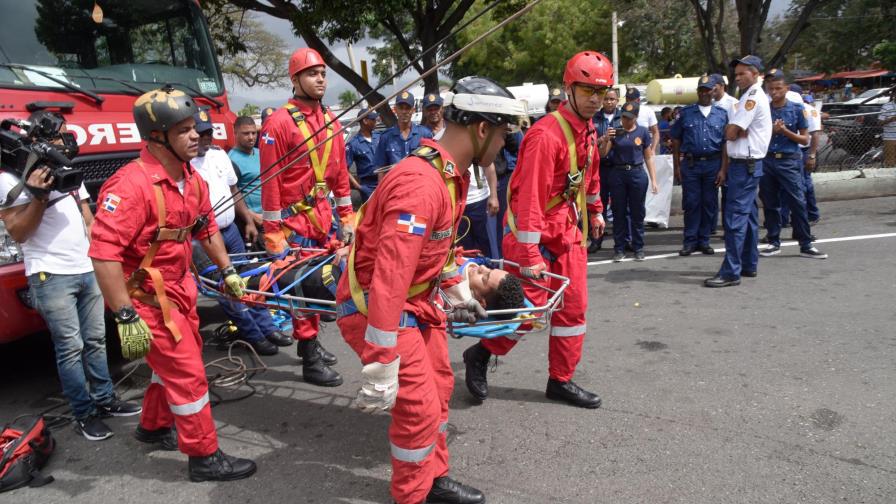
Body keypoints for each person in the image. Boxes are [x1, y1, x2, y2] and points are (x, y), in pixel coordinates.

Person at [335, 75, 526, 504]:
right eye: (501, 137)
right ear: (481, 129)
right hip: (378, 309)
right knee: (418, 409)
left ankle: (433, 479)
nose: (502, 148)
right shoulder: (422, 185)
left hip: (413, 303)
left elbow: (439, 251)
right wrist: (382, 360)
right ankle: (412, 496)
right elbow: (388, 278)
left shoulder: (448, 175)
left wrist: (459, 293)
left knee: (439, 388)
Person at [89, 86, 255, 481]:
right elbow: (103, 253)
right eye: (183, 130)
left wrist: (228, 270)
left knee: (171, 369)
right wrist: (125, 315)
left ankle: (153, 426)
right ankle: (204, 456)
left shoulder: (190, 179)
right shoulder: (130, 186)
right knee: (188, 374)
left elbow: (207, 229)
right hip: (147, 299)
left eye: (194, 127)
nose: (196, 134)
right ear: (157, 137)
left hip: (180, 292)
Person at [464, 51, 611, 410]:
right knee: (525, 313)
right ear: (568, 88)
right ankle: (481, 355)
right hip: (534, 239)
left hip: (566, 234)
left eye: (602, 91)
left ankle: (560, 380)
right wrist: (530, 254)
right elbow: (529, 198)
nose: (596, 99)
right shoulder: (546, 136)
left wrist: (594, 210)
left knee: (573, 311)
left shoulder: (589, 130)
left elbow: (588, 177)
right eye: (588, 89)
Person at [0, 110, 141, 441]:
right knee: (70, 347)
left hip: (86, 268)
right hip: (51, 275)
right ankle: (84, 413)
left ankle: (105, 400)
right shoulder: (9, 179)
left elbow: (89, 220)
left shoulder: (69, 173)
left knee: (96, 340)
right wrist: (39, 195)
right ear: (38, 140)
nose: (67, 140)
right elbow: (19, 232)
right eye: (60, 134)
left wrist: (103, 258)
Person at [258, 47, 354, 386]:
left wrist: (347, 217)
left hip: (323, 221)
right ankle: (311, 358)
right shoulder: (278, 123)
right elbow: (269, 184)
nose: (320, 79)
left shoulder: (330, 120)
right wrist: (273, 232)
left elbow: (341, 176)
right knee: (301, 289)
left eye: (323, 73)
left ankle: (308, 344)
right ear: (295, 78)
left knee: (317, 287)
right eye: (312, 73)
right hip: (293, 224)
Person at [191, 110, 292, 355]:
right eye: (200, 133)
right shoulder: (184, 163)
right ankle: (253, 335)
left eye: (208, 132)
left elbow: (234, 190)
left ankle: (267, 328)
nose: (205, 138)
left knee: (250, 281)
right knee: (227, 288)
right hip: (203, 239)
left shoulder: (218, 156)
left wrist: (246, 219)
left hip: (231, 231)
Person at [705, 55, 772, 288]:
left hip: (745, 165)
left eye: (743, 73)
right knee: (750, 217)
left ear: (755, 74)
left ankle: (731, 271)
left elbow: (731, 132)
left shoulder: (751, 98)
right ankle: (748, 264)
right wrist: (733, 130)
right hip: (746, 165)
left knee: (735, 219)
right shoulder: (748, 97)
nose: (739, 78)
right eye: (737, 74)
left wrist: (732, 130)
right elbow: (733, 131)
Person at [756, 69, 827, 260]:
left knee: (797, 201)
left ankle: (805, 243)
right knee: (770, 203)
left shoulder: (797, 109)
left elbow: (804, 139)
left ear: (786, 88)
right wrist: (773, 130)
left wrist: (785, 131)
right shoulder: (764, 109)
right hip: (768, 160)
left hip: (789, 160)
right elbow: (759, 138)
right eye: (771, 88)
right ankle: (773, 241)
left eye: (778, 88)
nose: (775, 92)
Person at [670, 75, 728, 256]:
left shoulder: (722, 114)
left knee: (709, 204)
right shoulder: (685, 114)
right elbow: (676, 140)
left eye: (708, 89)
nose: (704, 93)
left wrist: (723, 169)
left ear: (713, 91)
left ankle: (704, 240)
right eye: (701, 89)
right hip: (691, 164)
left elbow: (726, 143)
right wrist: (677, 167)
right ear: (697, 91)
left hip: (713, 164)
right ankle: (690, 241)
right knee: (691, 203)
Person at [601, 101, 659, 262]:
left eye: (630, 118)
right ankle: (619, 248)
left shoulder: (642, 132)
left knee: (637, 212)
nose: (626, 121)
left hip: (637, 173)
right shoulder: (616, 132)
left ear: (636, 117)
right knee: (618, 212)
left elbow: (648, 156)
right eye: (624, 118)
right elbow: (603, 154)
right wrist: (606, 139)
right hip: (618, 173)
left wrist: (654, 180)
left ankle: (638, 246)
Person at [590, 88, 623, 252]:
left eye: (612, 99)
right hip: (599, 167)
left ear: (617, 100)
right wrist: (603, 138)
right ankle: (596, 240)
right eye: (607, 99)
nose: (609, 102)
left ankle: (621, 242)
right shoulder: (594, 118)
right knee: (598, 206)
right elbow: (588, 142)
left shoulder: (623, 117)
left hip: (618, 167)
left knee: (619, 206)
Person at [374, 91, 433, 171]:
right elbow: (381, 169)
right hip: (396, 182)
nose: (404, 111)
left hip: (419, 181)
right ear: (395, 110)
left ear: (413, 110)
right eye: (401, 108)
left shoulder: (425, 134)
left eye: (407, 108)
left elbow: (432, 164)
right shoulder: (386, 137)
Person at [228, 116, 264, 226]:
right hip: (254, 220)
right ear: (235, 133)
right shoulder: (230, 160)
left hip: (271, 215)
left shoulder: (261, 152)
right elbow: (231, 195)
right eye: (246, 133)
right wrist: (250, 216)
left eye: (254, 133)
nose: (251, 137)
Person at [345, 108, 381, 202]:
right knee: (371, 215)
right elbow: (344, 169)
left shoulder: (379, 137)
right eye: (373, 119)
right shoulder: (353, 144)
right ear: (365, 121)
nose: (376, 121)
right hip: (368, 186)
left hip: (383, 182)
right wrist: (359, 187)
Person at [623, 87, 660, 154]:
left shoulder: (648, 111)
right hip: (628, 151)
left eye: (631, 99)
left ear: (638, 100)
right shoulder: (622, 111)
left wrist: (653, 149)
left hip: (645, 150)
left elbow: (655, 132)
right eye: (627, 99)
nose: (629, 102)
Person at [879, 88, 896, 167]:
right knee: (890, 161)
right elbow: (880, 123)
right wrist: (891, 119)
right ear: (894, 95)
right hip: (890, 138)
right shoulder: (886, 106)